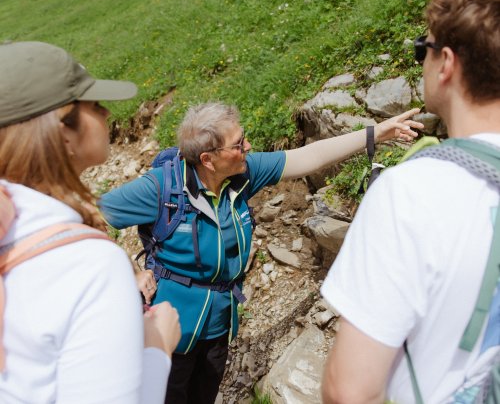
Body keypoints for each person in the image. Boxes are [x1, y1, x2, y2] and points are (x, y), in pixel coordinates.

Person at [99, 100, 423, 403]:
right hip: (169, 333)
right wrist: (131, 271)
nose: (248, 148)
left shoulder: (241, 175)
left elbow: (307, 156)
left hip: (217, 329)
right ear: (208, 159)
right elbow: (93, 217)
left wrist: (375, 133)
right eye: (238, 144)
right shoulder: (160, 188)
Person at [321, 0, 500, 403]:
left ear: (447, 64)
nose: (422, 58)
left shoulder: (413, 193)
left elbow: (349, 392)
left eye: (424, 48)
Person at [0, 41, 181, 403]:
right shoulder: (87, 264)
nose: (107, 114)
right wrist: (157, 347)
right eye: (94, 105)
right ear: (63, 128)